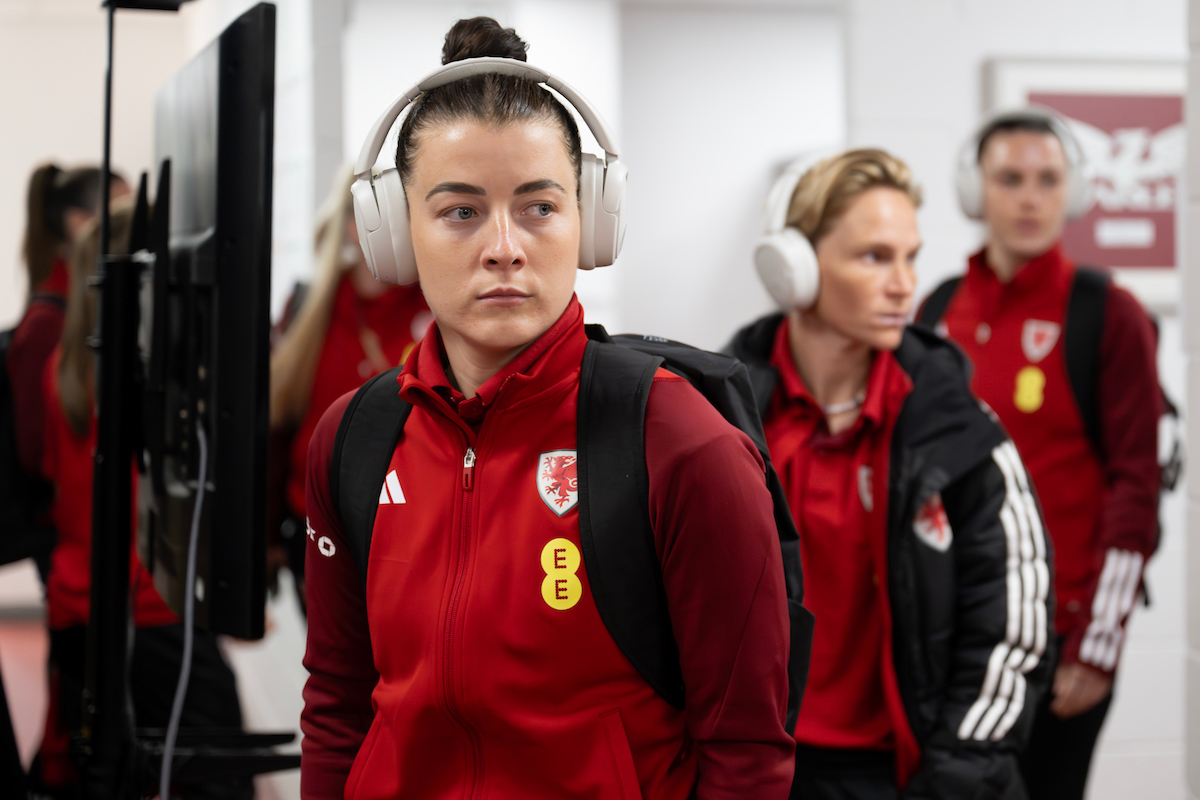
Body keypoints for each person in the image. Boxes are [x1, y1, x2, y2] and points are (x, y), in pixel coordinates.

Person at [301, 16, 794, 799]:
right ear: (394, 230)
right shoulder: (354, 438)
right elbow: (338, 711)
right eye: (460, 212)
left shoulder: (680, 443)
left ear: (590, 222)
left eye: (538, 207)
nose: (504, 246)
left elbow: (747, 754)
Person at [725, 149, 1052, 799]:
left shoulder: (960, 429)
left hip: (911, 775)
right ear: (796, 267)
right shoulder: (719, 422)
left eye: (910, 257)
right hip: (767, 775)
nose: (905, 285)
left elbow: (1011, 628)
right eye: (875, 257)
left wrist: (956, 776)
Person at [918, 109, 1161, 800]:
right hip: (956, 633)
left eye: (1048, 179)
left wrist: (1097, 649)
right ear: (976, 191)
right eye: (1010, 179)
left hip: (1060, 643)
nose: (1030, 198)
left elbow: (1137, 487)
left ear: (1072, 192)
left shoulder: (1107, 312)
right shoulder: (937, 310)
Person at [34, 201, 252, 800]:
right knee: (220, 780)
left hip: (80, 603)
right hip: (147, 606)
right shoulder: (148, 381)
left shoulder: (65, 370)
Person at [268, 165, 429, 612]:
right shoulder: (311, 307)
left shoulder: (440, 307)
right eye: (376, 212)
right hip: (320, 535)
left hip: (415, 538)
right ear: (349, 225)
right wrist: (263, 537)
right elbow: (278, 425)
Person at [6, 164, 127, 579]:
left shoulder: (77, 310)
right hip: (67, 535)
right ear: (80, 222)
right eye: (122, 212)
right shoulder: (49, 324)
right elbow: (37, 451)